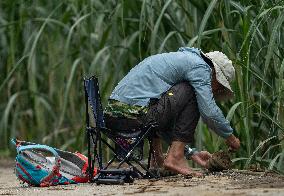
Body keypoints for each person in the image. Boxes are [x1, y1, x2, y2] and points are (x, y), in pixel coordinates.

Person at [104, 47, 240, 177]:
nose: (217, 90)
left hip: (115, 117)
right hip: (134, 114)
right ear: (215, 73)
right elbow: (209, 112)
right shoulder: (201, 68)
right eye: (220, 86)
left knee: (161, 100)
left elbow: (160, 119)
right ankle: (174, 157)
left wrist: (192, 153)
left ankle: (157, 158)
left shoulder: (185, 60)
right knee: (192, 92)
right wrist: (230, 137)